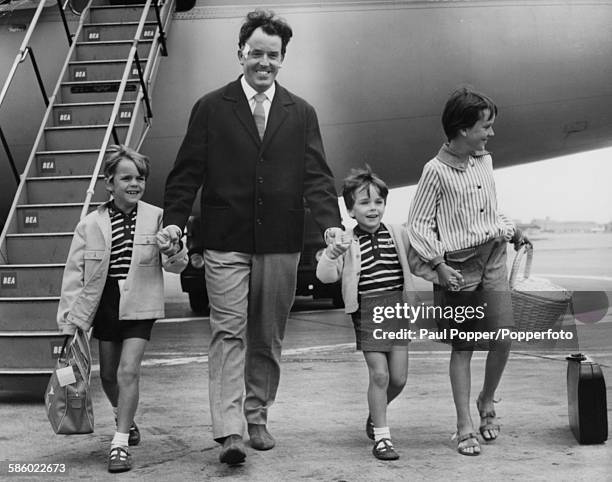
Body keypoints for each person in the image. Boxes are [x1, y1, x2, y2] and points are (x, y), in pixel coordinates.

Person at [158, 10, 343, 465]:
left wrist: (329, 224)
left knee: (267, 335)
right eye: (256, 52)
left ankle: (257, 414)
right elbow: (186, 174)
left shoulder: (300, 113)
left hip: (281, 240)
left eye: (272, 55)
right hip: (225, 239)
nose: (264, 62)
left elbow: (317, 177)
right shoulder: (210, 107)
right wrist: (174, 221)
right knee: (228, 332)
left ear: (283, 59)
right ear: (240, 52)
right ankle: (230, 430)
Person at [407, 88, 529, 456]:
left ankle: (486, 400)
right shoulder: (435, 171)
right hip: (459, 267)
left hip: (493, 255)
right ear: (462, 129)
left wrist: (511, 228)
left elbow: (490, 211)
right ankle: (463, 426)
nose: (490, 133)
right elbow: (419, 225)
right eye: (485, 126)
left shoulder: (483, 160)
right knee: (464, 346)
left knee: (503, 335)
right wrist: (438, 265)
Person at [56, 145, 188, 473]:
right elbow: (74, 275)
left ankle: (118, 443)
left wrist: (174, 249)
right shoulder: (89, 225)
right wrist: (68, 322)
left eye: (140, 178)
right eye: (126, 177)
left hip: (141, 304)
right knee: (110, 376)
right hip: (105, 306)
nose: (134, 183)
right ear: (109, 183)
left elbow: (176, 266)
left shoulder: (158, 218)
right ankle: (124, 418)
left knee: (129, 371)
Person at [317, 166, 416, 461]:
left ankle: (375, 415)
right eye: (364, 202)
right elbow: (326, 276)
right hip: (367, 312)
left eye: (378, 202)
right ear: (350, 210)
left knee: (398, 379)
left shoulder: (397, 233)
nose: (373, 208)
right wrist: (332, 253)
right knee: (380, 375)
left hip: (397, 309)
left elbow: (416, 262)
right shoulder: (346, 239)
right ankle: (383, 438)